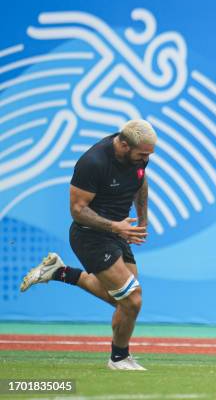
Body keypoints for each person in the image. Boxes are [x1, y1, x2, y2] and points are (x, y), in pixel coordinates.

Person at [20, 119, 156, 370]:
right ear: (124, 145)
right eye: (143, 154)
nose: (147, 159)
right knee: (132, 300)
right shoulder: (93, 162)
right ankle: (119, 358)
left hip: (118, 231)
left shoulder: (138, 158)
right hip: (89, 235)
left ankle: (60, 272)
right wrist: (117, 227)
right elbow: (77, 211)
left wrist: (142, 221)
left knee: (124, 303)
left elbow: (141, 182)